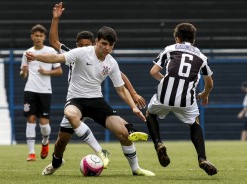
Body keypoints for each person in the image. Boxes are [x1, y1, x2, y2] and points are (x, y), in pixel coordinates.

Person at [26, 24, 155, 176]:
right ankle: (63, 160)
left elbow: (120, 88)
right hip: (76, 100)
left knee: (123, 133)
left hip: (96, 101)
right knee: (63, 136)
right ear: (97, 41)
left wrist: (133, 107)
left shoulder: (111, 62)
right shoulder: (81, 52)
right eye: (104, 44)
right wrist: (36, 56)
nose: (107, 48)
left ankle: (136, 169)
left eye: (110, 45)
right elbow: (56, 57)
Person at [145, 22, 218, 176]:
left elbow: (153, 72)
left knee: (150, 114)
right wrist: (204, 94)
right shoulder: (201, 56)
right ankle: (202, 158)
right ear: (194, 40)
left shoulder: (169, 49)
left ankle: (158, 143)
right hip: (186, 99)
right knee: (194, 124)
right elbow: (209, 83)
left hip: (164, 95)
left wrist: (166, 80)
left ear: (177, 38)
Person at [20, 24, 63, 161]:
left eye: (40, 35)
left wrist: (46, 72)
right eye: (36, 35)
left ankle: (45, 142)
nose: (38, 38)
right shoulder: (27, 53)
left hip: (45, 91)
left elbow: (59, 71)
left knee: (44, 124)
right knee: (31, 118)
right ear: (32, 36)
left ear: (44, 37)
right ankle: (31, 152)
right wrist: (24, 71)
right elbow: (22, 74)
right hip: (30, 90)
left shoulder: (50, 51)